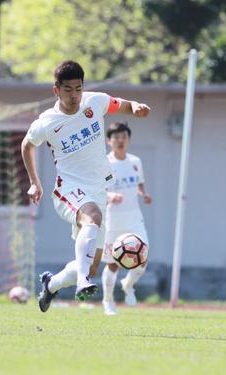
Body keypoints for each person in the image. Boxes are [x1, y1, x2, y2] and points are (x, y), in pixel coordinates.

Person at [20, 60, 150, 312]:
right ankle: (83, 282)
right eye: (68, 90)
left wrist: (135, 107)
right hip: (67, 189)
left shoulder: (95, 101)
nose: (74, 95)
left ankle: (52, 284)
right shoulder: (47, 122)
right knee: (93, 219)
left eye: (78, 88)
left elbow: (121, 105)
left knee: (90, 262)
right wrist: (35, 182)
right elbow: (27, 145)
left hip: (97, 189)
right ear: (56, 90)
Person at [100, 122, 152, 316]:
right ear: (109, 141)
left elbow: (139, 184)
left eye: (124, 137)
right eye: (116, 137)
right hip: (113, 221)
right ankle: (108, 301)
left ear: (129, 140)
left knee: (143, 258)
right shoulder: (105, 164)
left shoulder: (135, 161)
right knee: (112, 263)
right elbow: (97, 191)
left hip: (134, 219)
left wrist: (144, 194)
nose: (120, 141)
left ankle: (128, 285)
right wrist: (110, 197)